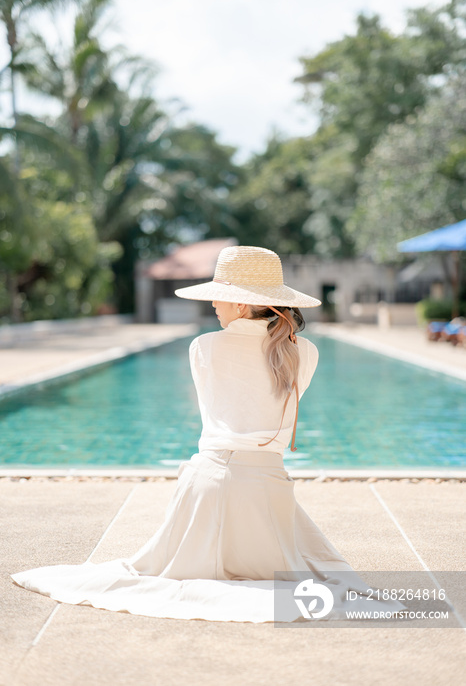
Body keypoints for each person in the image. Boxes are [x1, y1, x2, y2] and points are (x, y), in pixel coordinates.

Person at [12, 246, 404, 622]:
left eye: (219, 297)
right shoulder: (306, 352)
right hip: (267, 492)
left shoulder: (202, 347)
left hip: (206, 491)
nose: (213, 305)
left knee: (154, 574)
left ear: (239, 303)